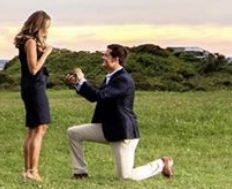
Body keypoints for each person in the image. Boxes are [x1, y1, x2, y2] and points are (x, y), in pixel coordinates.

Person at [64, 44, 174, 180]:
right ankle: (80, 172)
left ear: (115, 59)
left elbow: (100, 96)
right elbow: (94, 97)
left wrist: (82, 80)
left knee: (126, 177)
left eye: (106, 55)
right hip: (107, 128)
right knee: (73, 132)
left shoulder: (123, 79)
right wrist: (78, 84)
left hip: (122, 132)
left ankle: (162, 163)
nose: (102, 57)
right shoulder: (110, 77)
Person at [13, 10, 52, 180]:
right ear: (38, 26)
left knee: (35, 128)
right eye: (46, 27)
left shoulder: (30, 42)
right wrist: (46, 53)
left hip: (33, 87)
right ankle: (32, 171)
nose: (47, 31)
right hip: (34, 88)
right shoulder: (29, 42)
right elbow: (34, 68)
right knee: (39, 128)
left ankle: (28, 170)